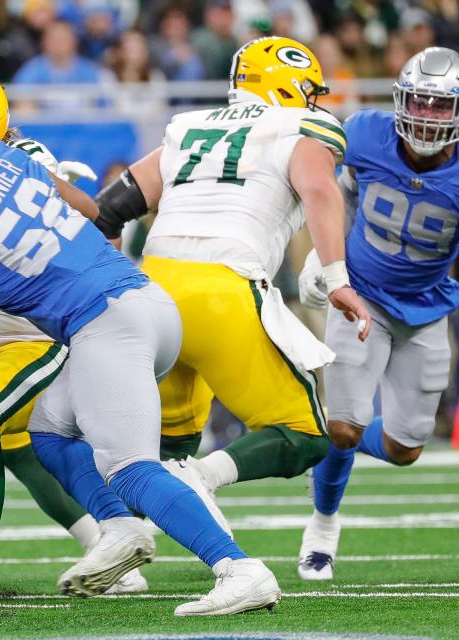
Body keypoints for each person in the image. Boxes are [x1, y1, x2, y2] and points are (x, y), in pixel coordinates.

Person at [0, 127, 280, 618]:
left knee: (130, 470)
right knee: (50, 432)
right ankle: (118, 526)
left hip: (105, 327)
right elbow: (90, 209)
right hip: (144, 301)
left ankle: (238, 567)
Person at [79, 37, 371, 521]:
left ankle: (119, 537)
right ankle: (205, 477)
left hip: (152, 290)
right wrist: (336, 277)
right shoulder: (299, 126)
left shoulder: (186, 127)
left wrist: (108, 282)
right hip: (223, 288)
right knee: (305, 434)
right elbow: (319, 188)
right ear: (287, 84)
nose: (314, 100)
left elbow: (108, 210)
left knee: (168, 444)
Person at [297, 47, 459, 581]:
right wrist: (324, 264)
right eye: (421, 102)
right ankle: (323, 524)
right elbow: (327, 190)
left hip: (427, 310)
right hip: (360, 297)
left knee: (405, 448)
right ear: (400, 99)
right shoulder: (364, 133)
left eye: (441, 107)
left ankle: (330, 441)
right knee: (344, 427)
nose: (428, 116)